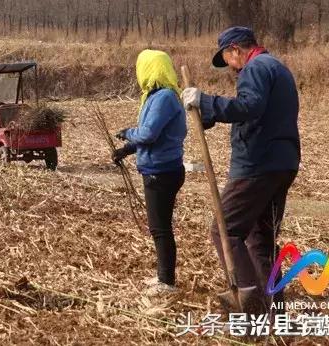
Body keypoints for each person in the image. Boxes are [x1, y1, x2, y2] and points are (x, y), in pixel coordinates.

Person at [181, 26, 301, 311]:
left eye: (229, 59)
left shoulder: (255, 68)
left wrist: (206, 100)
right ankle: (275, 310)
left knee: (226, 231)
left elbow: (250, 106)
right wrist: (208, 113)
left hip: (257, 165)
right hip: (282, 163)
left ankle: (251, 307)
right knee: (260, 238)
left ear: (236, 49)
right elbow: (256, 114)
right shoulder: (277, 68)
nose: (232, 69)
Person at [112, 50, 187, 296]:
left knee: (160, 228)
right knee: (158, 227)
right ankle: (162, 277)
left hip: (162, 172)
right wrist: (126, 150)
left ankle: (167, 282)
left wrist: (128, 132)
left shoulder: (164, 97)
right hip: (158, 169)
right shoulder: (155, 97)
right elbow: (149, 135)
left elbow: (148, 134)